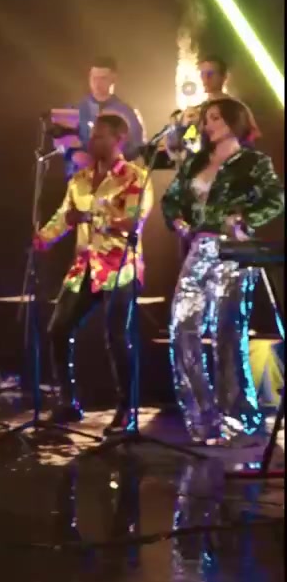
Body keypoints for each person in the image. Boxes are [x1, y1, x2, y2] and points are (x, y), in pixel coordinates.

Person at [163, 98, 283, 444]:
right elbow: (171, 199)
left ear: (233, 121)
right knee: (182, 327)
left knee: (227, 333)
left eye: (215, 118)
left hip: (233, 251)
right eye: (206, 119)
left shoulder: (253, 162)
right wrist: (179, 222)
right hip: (198, 249)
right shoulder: (196, 161)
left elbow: (276, 198)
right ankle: (202, 418)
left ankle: (238, 417)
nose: (208, 124)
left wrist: (245, 219)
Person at [34, 113, 153, 433]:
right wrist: (43, 238)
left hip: (120, 266)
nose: (93, 140)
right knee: (58, 329)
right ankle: (68, 401)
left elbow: (133, 221)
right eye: (93, 134)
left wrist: (90, 217)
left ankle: (126, 408)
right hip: (84, 266)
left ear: (119, 139)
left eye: (101, 135)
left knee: (116, 336)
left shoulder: (135, 176)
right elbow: (64, 217)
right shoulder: (80, 179)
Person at [51, 57, 145, 179]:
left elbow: (137, 146)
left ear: (113, 79)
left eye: (103, 78)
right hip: (81, 177)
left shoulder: (126, 112)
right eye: (94, 78)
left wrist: (114, 158)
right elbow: (62, 142)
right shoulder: (76, 108)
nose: (97, 83)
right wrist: (74, 154)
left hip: (114, 179)